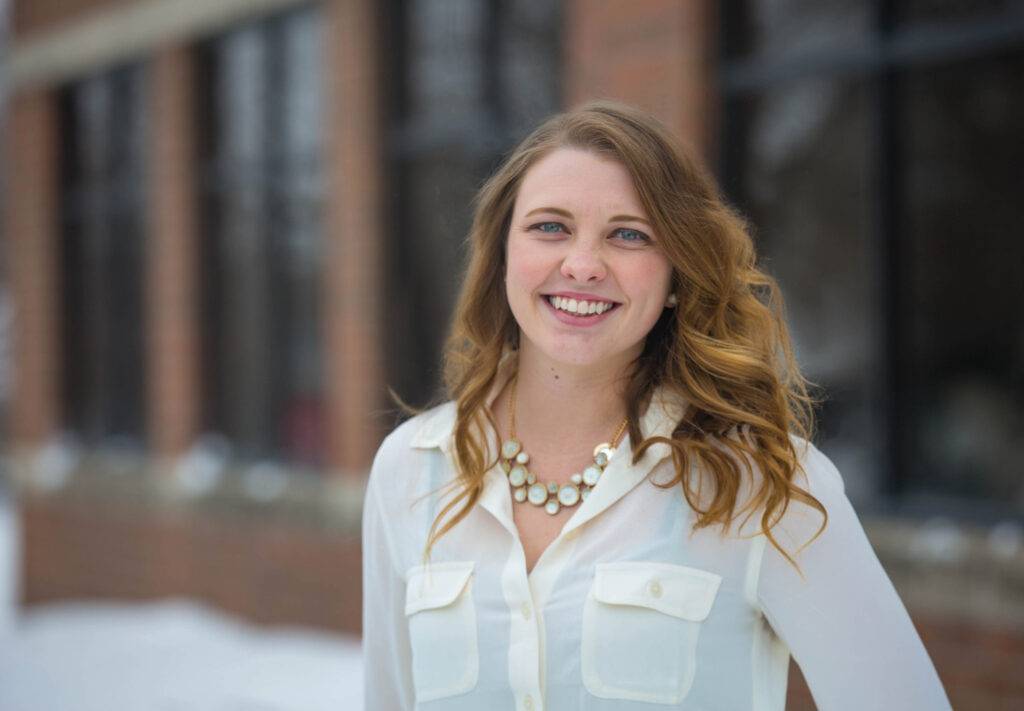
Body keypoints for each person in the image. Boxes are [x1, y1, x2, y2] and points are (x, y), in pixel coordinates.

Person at [361, 101, 951, 710]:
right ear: (502, 257)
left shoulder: (763, 484)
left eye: (629, 235)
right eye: (550, 227)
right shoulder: (409, 469)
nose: (583, 265)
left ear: (675, 276)